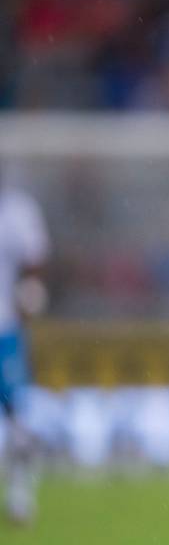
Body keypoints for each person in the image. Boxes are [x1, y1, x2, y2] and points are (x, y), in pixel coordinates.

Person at [0, 171, 49, 525]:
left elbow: (35, 261)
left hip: (5, 328)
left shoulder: (17, 211)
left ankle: (20, 495)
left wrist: (28, 296)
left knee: (17, 415)